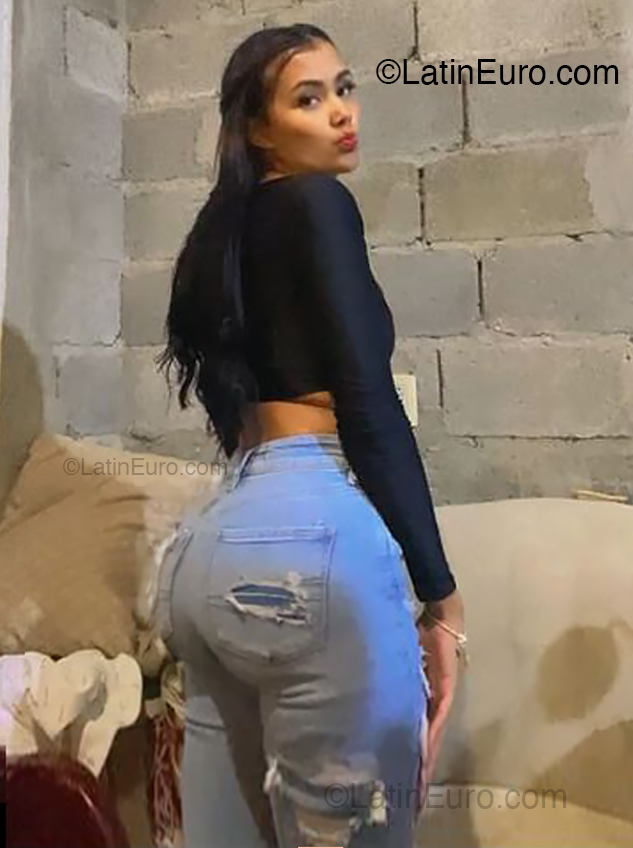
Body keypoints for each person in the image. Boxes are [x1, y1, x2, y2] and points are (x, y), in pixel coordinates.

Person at [155, 22, 467, 848]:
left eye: (344, 88)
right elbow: (367, 402)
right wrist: (441, 602)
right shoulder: (317, 201)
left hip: (209, 546)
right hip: (312, 532)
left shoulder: (216, 235)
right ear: (260, 130)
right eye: (307, 98)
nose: (340, 112)